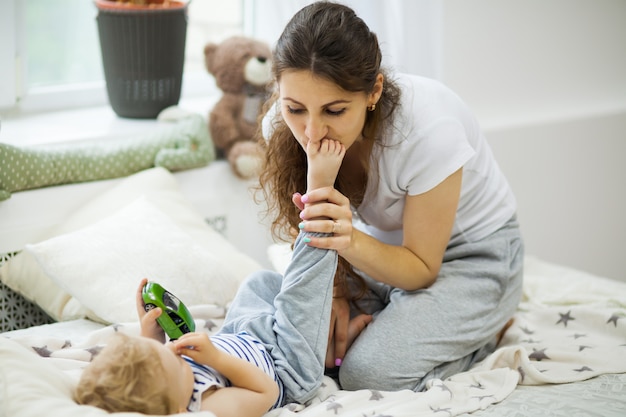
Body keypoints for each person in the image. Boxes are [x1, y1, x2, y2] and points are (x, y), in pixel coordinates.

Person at [257, 1, 524, 393]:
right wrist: (333, 290)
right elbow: (320, 238)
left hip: (472, 260)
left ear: (373, 91)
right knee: (291, 327)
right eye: (295, 108)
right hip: (376, 253)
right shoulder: (283, 128)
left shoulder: (428, 132)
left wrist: (345, 241)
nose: (312, 132)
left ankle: (485, 329)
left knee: (365, 373)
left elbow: (421, 267)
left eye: (334, 110)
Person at [74, 139, 347, 416]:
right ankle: (321, 196)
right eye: (177, 363)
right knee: (302, 288)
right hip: (286, 367)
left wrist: (150, 338)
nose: (173, 352)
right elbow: (267, 392)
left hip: (244, 337)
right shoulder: (210, 405)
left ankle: (320, 327)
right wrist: (216, 358)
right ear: (179, 410)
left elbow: (161, 363)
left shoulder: (168, 380)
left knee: (257, 283)